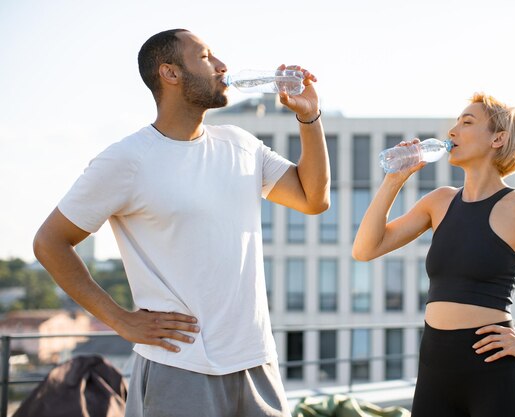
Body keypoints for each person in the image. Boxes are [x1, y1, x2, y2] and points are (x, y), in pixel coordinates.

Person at [33, 28, 330, 417]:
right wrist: (121, 321)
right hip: (180, 365)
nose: (223, 66)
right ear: (170, 73)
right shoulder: (127, 159)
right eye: (206, 57)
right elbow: (50, 242)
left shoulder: (240, 144)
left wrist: (310, 118)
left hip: (256, 360)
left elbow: (313, 199)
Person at [352, 93, 515, 417]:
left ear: (498, 139)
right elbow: (365, 249)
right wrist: (393, 181)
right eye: (456, 123)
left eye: (467, 122)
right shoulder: (439, 202)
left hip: (494, 375)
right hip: (434, 370)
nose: (452, 132)